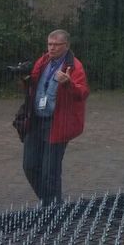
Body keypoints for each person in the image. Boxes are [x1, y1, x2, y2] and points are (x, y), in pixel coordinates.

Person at [23, 29, 88, 206]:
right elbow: (34, 84)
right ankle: (51, 204)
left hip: (57, 124)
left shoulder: (74, 66)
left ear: (66, 46)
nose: (51, 48)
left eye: (56, 45)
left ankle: (53, 212)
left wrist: (69, 83)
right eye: (49, 44)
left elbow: (82, 93)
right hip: (37, 121)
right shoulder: (43, 61)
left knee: (50, 172)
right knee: (29, 166)